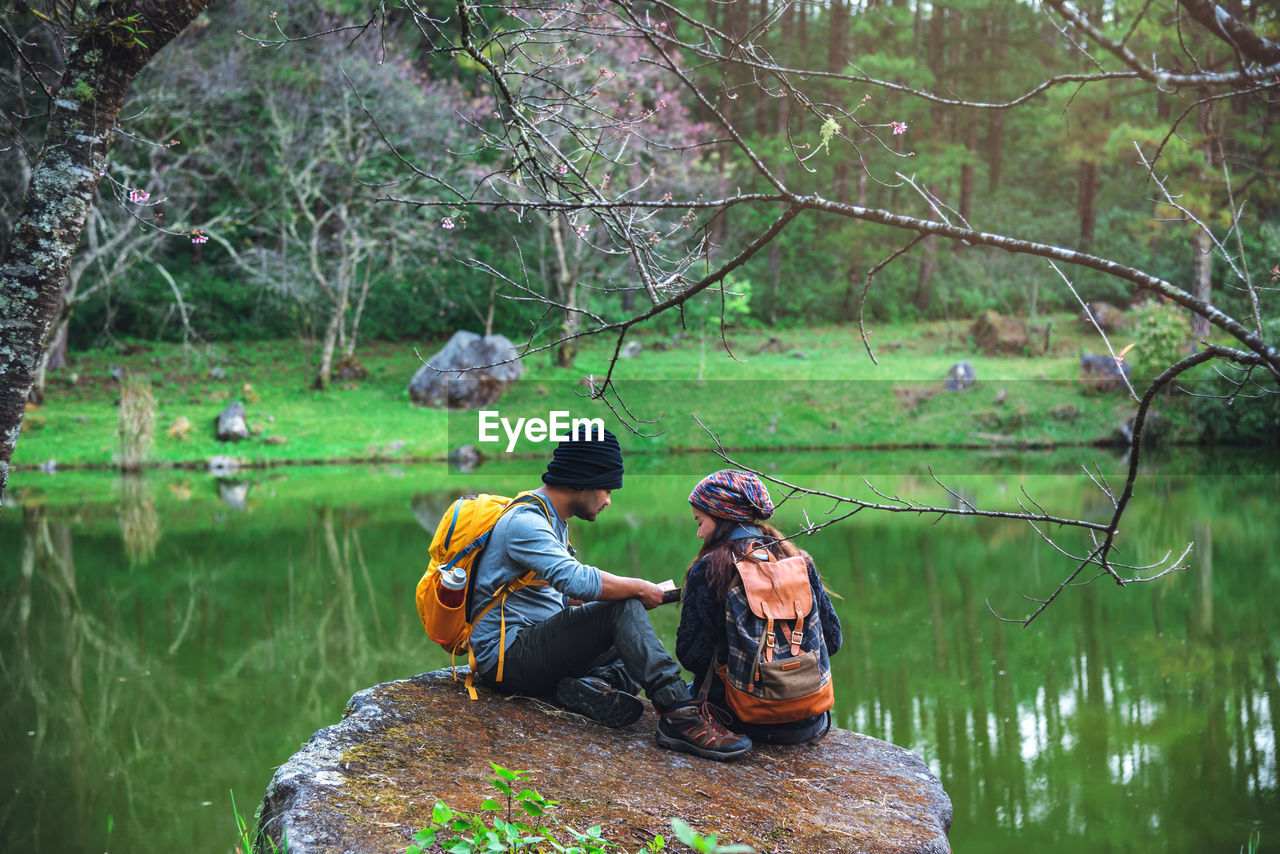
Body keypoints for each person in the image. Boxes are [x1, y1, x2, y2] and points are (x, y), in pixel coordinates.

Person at [469, 425, 752, 760]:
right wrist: (637, 590)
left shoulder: (550, 519)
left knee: (629, 642)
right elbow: (574, 580)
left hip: (530, 647)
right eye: (606, 488)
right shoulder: (526, 522)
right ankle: (679, 713)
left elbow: (556, 596)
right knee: (622, 608)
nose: (608, 500)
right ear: (582, 480)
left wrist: (618, 610)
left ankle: (590, 686)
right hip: (505, 657)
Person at [676, 469, 843, 744]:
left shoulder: (709, 569)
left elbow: (692, 656)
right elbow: (833, 640)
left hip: (739, 720)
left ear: (722, 517)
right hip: (809, 720)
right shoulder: (797, 560)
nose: (698, 533)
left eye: (700, 521)